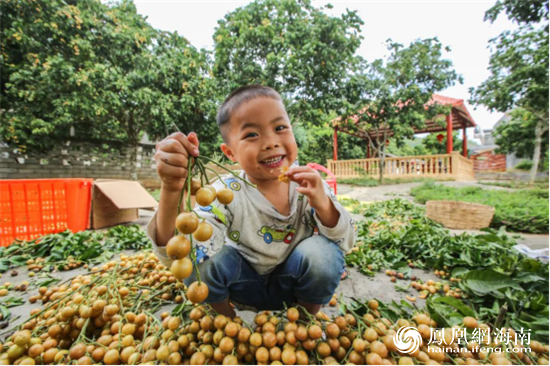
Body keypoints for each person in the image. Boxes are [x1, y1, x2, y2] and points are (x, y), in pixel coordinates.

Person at [148, 85, 356, 317]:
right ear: (230, 153)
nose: (270, 142)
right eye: (251, 135)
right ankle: (226, 323)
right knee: (201, 257)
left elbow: (345, 241)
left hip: (294, 285)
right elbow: (176, 252)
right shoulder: (225, 192)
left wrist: (323, 204)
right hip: (241, 284)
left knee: (323, 253)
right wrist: (171, 189)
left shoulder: (309, 185)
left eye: (279, 127)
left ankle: (305, 321)